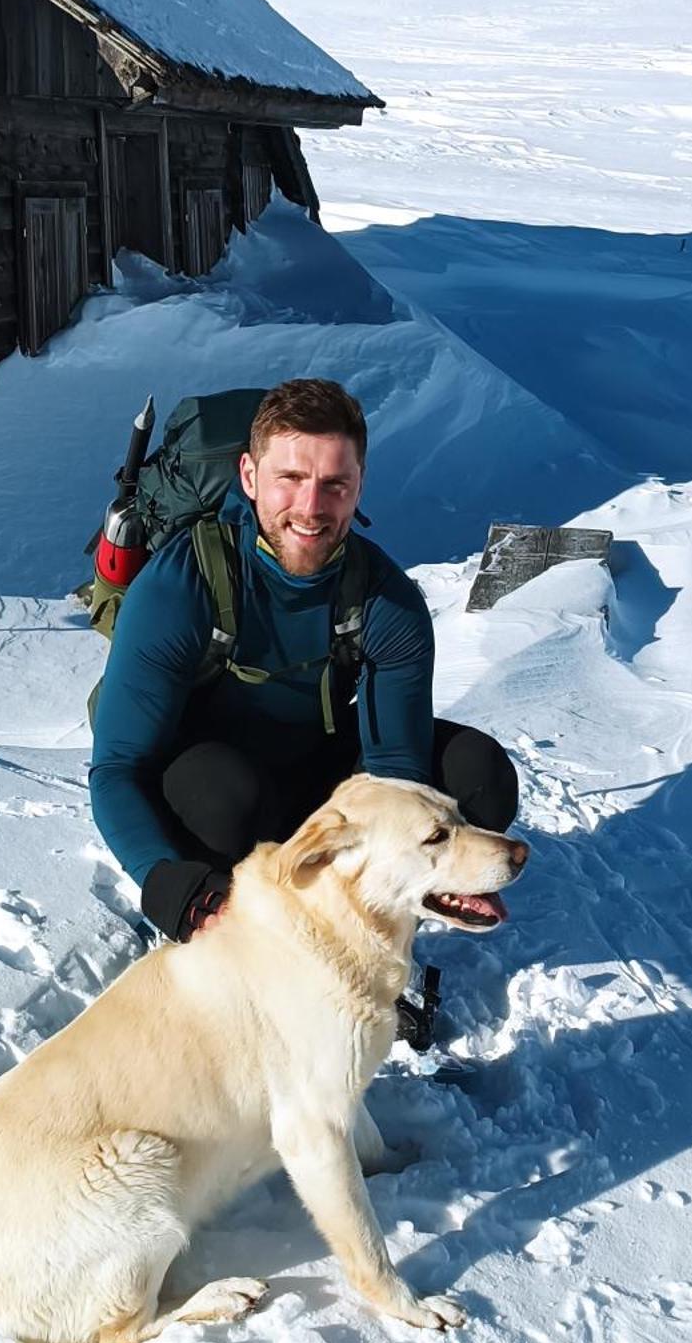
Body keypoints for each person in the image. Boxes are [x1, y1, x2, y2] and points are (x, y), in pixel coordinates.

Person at [88, 377, 519, 957]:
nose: (311, 509)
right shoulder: (180, 586)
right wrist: (166, 881)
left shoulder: (384, 599)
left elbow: (395, 773)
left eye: (334, 485)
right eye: (289, 479)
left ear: (359, 484)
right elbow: (117, 766)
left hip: (317, 775)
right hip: (212, 789)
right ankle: (225, 905)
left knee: (479, 774)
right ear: (249, 477)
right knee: (221, 795)